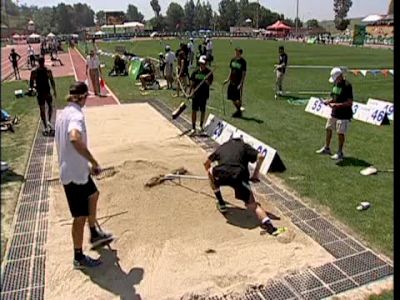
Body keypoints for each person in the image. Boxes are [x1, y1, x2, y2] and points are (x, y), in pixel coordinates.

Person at [54, 81, 114, 269]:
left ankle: (94, 231)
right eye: (87, 97)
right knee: (79, 217)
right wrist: (94, 161)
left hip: (78, 170)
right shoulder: (76, 116)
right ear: (82, 97)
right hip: (74, 176)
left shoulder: (63, 113)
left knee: (93, 194)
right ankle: (78, 257)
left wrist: (87, 166)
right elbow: (74, 138)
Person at [204, 134, 283, 236]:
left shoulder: (223, 146)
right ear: (241, 140)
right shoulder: (244, 146)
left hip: (221, 173)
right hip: (239, 177)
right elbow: (261, 156)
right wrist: (255, 174)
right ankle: (270, 228)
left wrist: (212, 177)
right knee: (253, 205)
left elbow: (206, 163)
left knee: (210, 171)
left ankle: (221, 203)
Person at [316, 67, 353, 161]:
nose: (335, 81)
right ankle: (326, 148)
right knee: (328, 128)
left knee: (340, 133)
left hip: (344, 114)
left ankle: (340, 152)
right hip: (334, 113)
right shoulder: (335, 85)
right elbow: (334, 97)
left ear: (340, 77)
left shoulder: (347, 86)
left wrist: (336, 105)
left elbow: (349, 102)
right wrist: (328, 101)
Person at [30, 56, 57, 135]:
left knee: (43, 110)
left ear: (38, 62)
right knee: (50, 107)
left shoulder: (34, 71)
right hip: (46, 92)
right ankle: (48, 121)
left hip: (41, 93)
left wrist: (32, 89)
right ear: (44, 61)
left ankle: (46, 125)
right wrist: (54, 91)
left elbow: (31, 82)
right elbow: (52, 81)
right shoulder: (48, 71)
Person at [188, 55, 213, 135]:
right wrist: (190, 92)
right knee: (194, 111)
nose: (203, 65)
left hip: (204, 94)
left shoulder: (209, 73)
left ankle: (201, 126)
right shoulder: (195, 72)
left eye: (204, 63)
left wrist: (206, 81)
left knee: (203, 110)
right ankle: (193, 127)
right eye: (201, 63)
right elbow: (192, 83)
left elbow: (210, 83)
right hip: (196, 94)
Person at [223, 47, 247, 118]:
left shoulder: (243, 62)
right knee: (231, 97)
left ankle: (238, 111)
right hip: (231, 81)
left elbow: (244, 73)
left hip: (238, 82)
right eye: (236, 52)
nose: (236, 53)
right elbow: (231, 70)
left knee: (237, 98)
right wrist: (227, 79)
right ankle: (239, 110)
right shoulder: (232, 60)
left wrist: (241, 83)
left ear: (240, 53)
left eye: (237, 52)